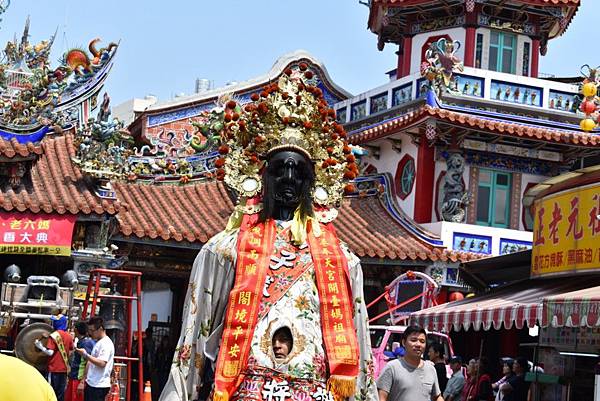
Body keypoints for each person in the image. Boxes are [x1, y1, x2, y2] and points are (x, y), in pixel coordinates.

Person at [159, 68, 377, 401]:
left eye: (299, 172)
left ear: (312, 184)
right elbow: (193, 333)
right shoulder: (225, 250)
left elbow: (359, 345)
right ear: (262, 179)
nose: (289, 179)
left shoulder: (343, 261)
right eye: (280, 169)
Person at [377, 325, 443, 401]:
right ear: (404, 342)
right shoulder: (392, 368)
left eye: (422, 341)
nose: (418, 344)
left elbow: (437, 396)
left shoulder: (430, 369)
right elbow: (381, 398)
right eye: (413, 340)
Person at [34, 310, 74, 401]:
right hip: (63, 369)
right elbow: (71, 350)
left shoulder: (54, 336)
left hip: (53, 368)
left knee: (51, 391)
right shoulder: (68, 336)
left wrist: (40, 346)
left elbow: (50, 352)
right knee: (60, 393)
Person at [75, 317, 115, 401]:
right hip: (92, 383)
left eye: (92, 330)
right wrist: (83, 380)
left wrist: (86, 355)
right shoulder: (98, 342)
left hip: (99, 385)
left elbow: (102, 363)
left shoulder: (106, 344)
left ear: (100, 329)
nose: (90, 333)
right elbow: (90, 362)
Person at [66, 321, 96, 401]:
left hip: (78, 378)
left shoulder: (86, 343)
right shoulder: (82, 341)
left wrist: (82, 381)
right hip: (75, 376)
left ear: (76, 330)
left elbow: (89, 362)